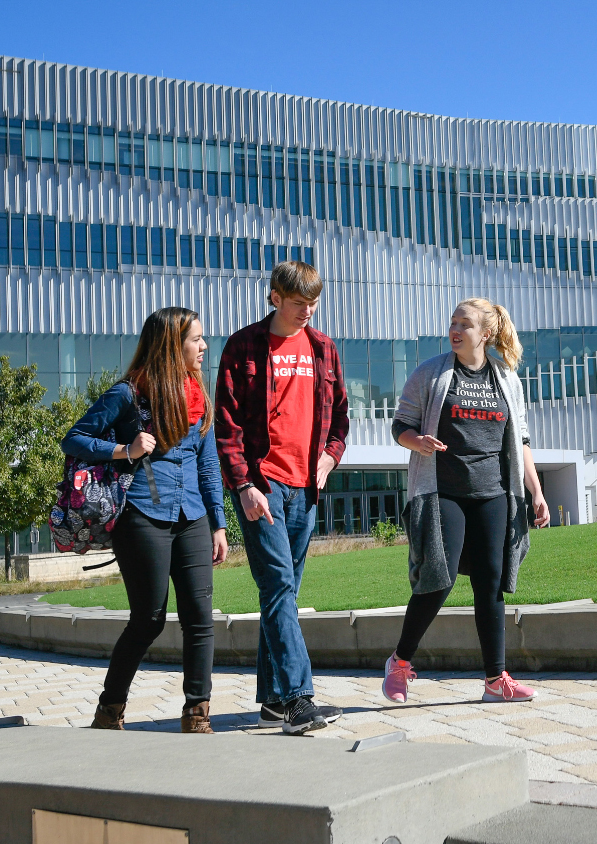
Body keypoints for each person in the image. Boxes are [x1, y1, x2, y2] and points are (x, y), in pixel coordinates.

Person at [62, 307, 229, 734]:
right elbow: (75, 438)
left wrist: (218, 522)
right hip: (142, 515)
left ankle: (197, 715)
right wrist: (125, 450)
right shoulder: (128, 394)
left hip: (191, 514)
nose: (204, 347)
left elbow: (208, 465)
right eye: (196, 339)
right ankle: (109, 711)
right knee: (149, 620)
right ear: (173, 344)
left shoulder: (199, 395)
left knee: (200, 617)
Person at [382, 298, 550, 706]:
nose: (456, 330)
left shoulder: (506, 378)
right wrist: (416, 441)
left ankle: (496, 678)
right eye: (453, 322)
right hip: (443, 491)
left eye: (466, 324)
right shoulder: (432, 373)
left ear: (486, 333)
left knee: (490, 582)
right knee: (437, 578)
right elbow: (400, 425)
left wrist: (536, 490)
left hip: (493, 492)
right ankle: (400, 662)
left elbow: (520, 439)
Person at [215, 261, 349, 735]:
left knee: (285, 593)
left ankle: (272, 702)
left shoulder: (323, 349)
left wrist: (329, 460)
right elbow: (227, 429)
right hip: (263, 485)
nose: (307, 312)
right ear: (274, 297)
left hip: (305, 489)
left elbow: (340, 422)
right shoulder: (243, 347)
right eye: (298, 304)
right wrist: (244, 485)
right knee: (276, 587)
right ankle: (298, 699)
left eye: (313, 303)